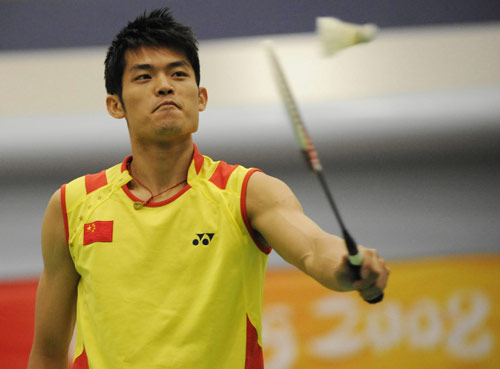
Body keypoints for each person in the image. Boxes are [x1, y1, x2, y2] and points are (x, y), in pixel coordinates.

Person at [27, 8, 389, 369]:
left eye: (178, 73)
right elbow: (47, 353)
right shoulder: (73, 205)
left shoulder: (247, 192)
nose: (164, 85)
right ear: (115, 105)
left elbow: (313, 247)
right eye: (143, 77)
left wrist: (347, 266)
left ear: (200, 98)